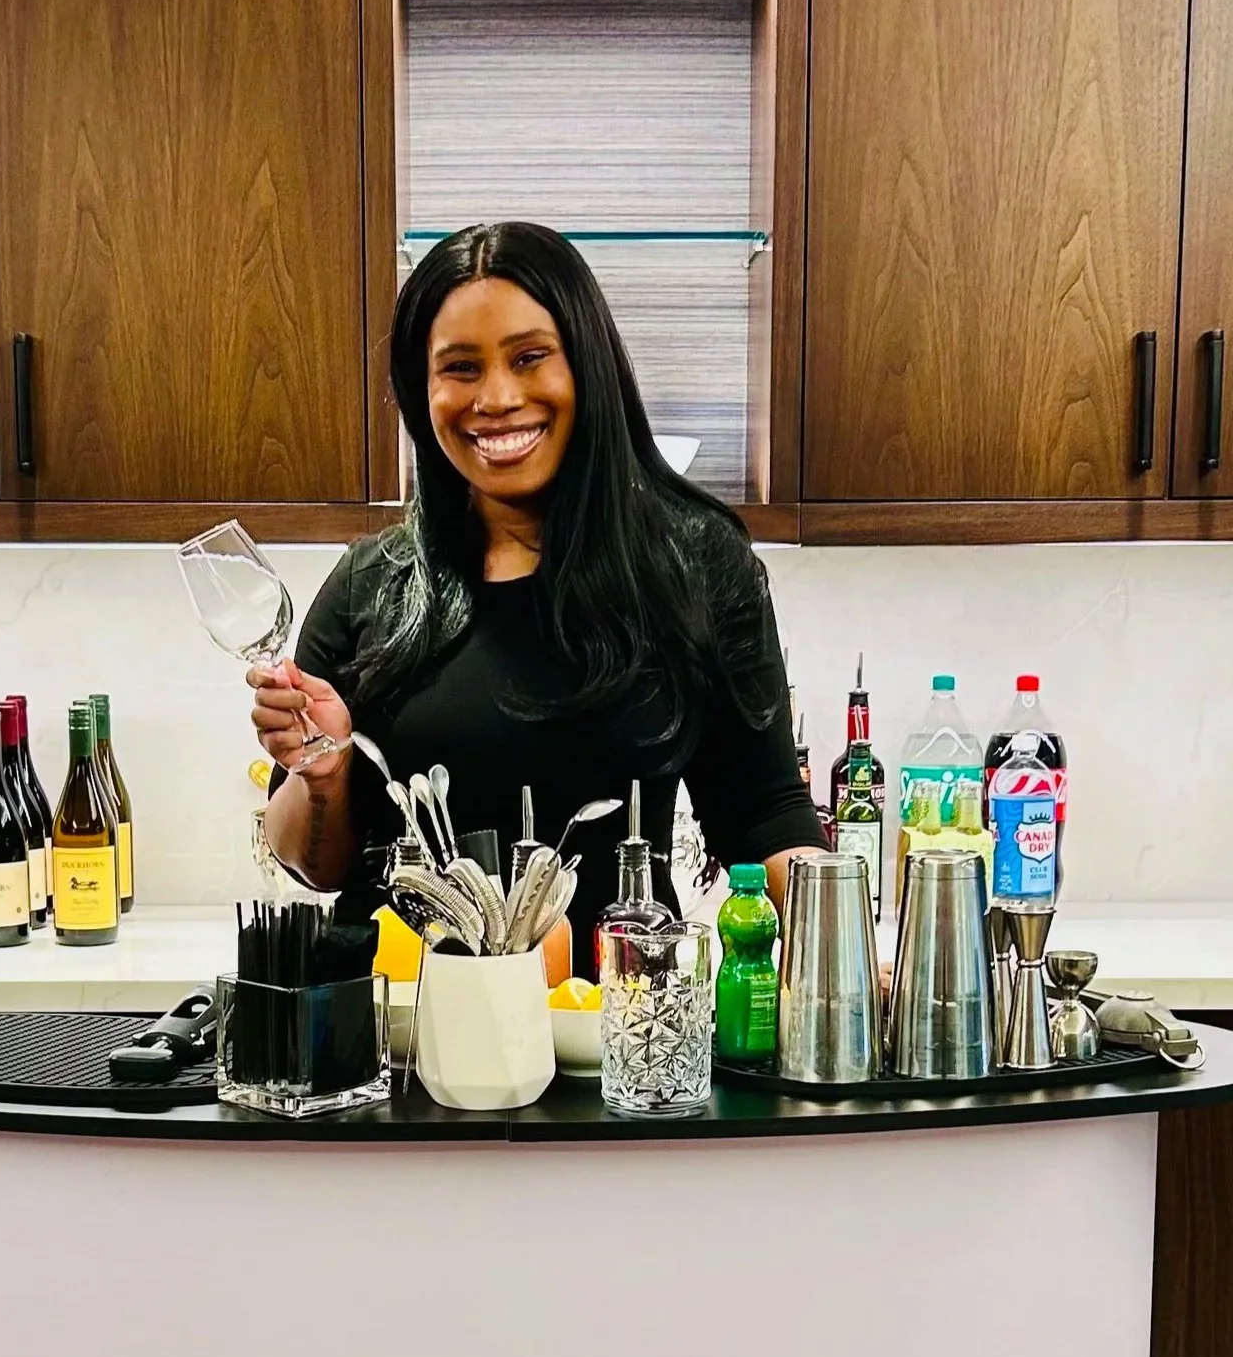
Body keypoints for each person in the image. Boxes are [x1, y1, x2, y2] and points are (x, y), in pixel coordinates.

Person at [251, 221, 825, 973]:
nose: (497, 398)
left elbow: (765, 814)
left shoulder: (694, 567)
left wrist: (840, 947)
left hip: (609, 1036)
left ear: (586, 365)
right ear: (422, 392)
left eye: (529, 358)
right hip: (402, 1035)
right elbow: (315, 865)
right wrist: (319, 774)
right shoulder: (373, 586)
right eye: (459, 368)